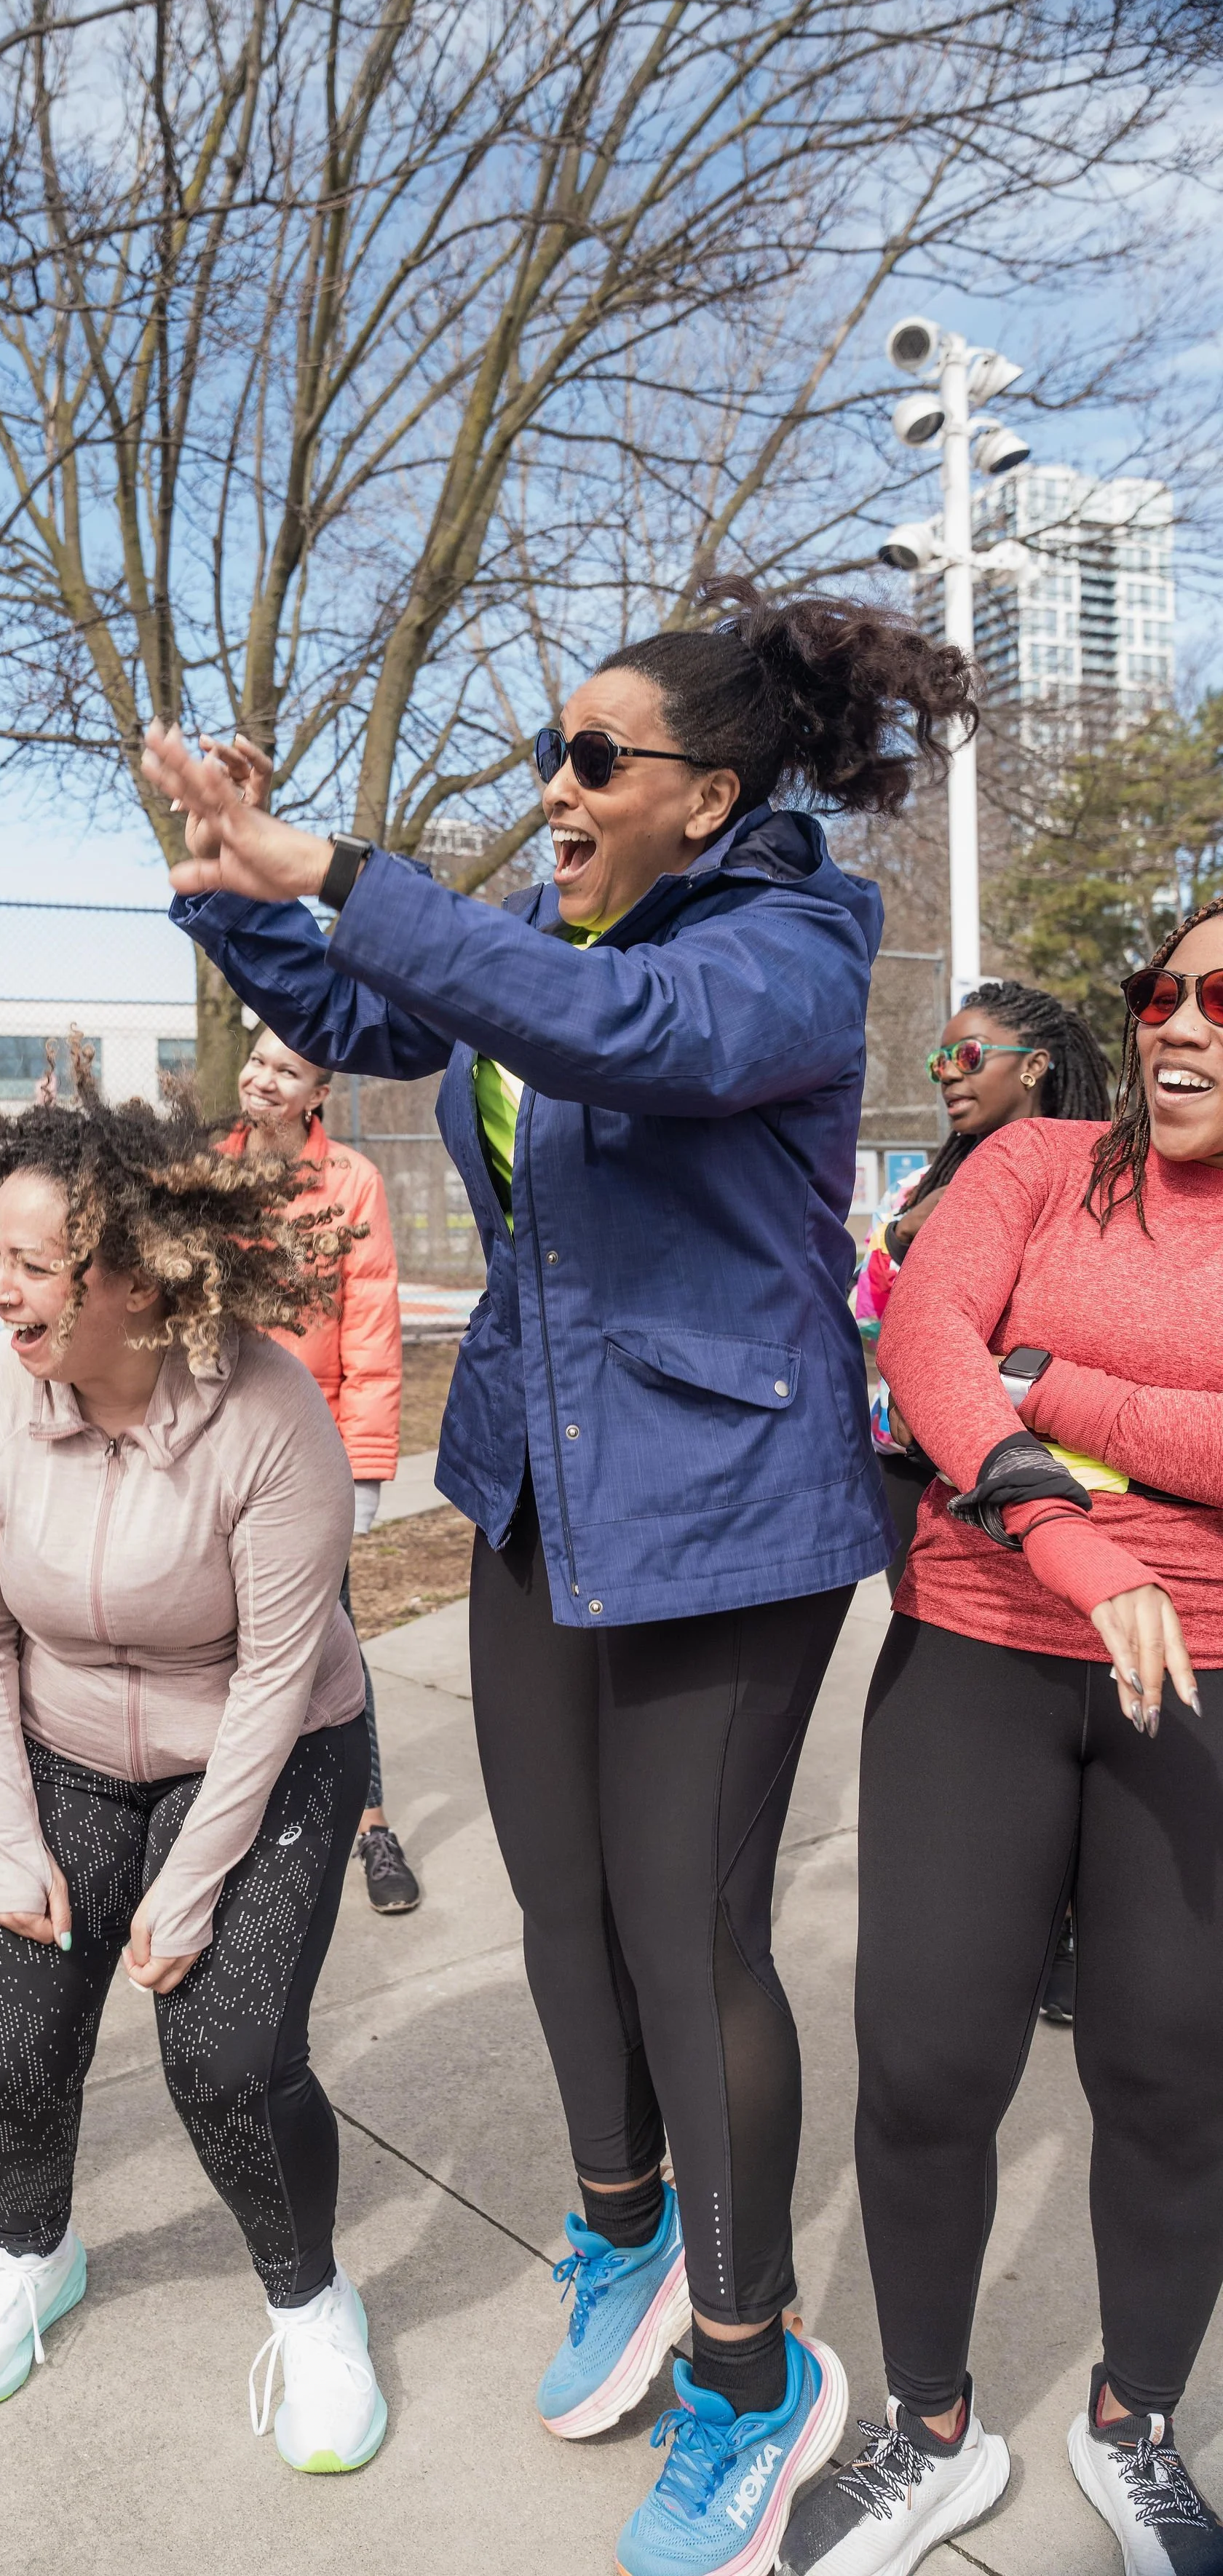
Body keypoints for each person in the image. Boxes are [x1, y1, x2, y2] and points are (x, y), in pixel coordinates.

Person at [144, 576, 975, 2576]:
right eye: (546, 757)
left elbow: (631, 1039)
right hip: (536, 1481)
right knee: (560, 1901)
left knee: (693, 1944)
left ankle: (753, 2371)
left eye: (594, 762)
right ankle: (622, 2225)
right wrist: (234, 884)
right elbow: (356, 1007)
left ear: (712, 796)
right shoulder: (535, 930)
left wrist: (347, 860)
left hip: (723, 1510)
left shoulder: (789, 936)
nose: (556, 794)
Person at [783, 895, 1223, 2576]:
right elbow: (919, 1341)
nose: (1177, 1024)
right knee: (919, 2064)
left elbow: (1005, 1371)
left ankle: (1133, 2422)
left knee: (1170, 2079)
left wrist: (1055, 1388)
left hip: (1194, 1681)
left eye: (1217, 999)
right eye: (1160, 990)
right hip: (977, 1641)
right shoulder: (1036, 1161)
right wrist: (1062, 1517)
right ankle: (929, 2429)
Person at [0, 1066, 385, 2475]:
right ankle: (31, 2254)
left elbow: (277, 1676)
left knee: (228, 2059)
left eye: (32, 1264)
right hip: (58, 1747)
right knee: (4, 2047)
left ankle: (313, 2306)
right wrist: (8, 1838)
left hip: (263, 1745)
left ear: (133, 1275)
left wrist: (189, 1883)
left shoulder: (267, 1412)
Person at [226, 1023, 419, 1913]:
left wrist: (365, 1468)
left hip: (307, 1453)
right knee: (221, 1643)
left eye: (288, 1070)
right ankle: (240, 1823)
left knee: (328, 1637)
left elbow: (373, 1333)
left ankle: (371, 1825)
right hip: (211, 1446)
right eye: (259, 1060)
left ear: (318, 1094)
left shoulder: (352, 1184)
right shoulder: (201, 1170)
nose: (265, 1079)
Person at [854, 981, 1110, 1601]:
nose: (947, 1076)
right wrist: (900, 1236)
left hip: (1047, 1472)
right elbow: (866, 1322)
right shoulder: (918, 1190)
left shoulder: (1107, 1186)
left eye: (968, 1056)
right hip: (913, 1475)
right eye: (939, 1063)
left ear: (1033, 1064)